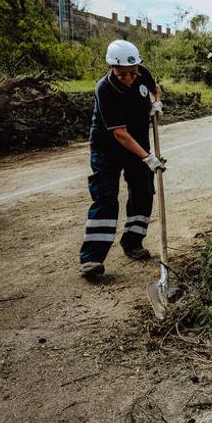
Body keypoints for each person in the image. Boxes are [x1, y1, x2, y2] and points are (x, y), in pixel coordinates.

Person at [79, 39, 166, 279]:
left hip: (137, 140)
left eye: (132, 72)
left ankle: (133, 242)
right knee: (106, 197)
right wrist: (148, 158)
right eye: (121, 74)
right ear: (112, 68)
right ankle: (92, 258)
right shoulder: (104, 89)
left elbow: (154, 88)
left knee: (143, 191)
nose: (128, 78)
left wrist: (156, 102)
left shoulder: (142, 73)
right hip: (107, 148)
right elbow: (119, 133)